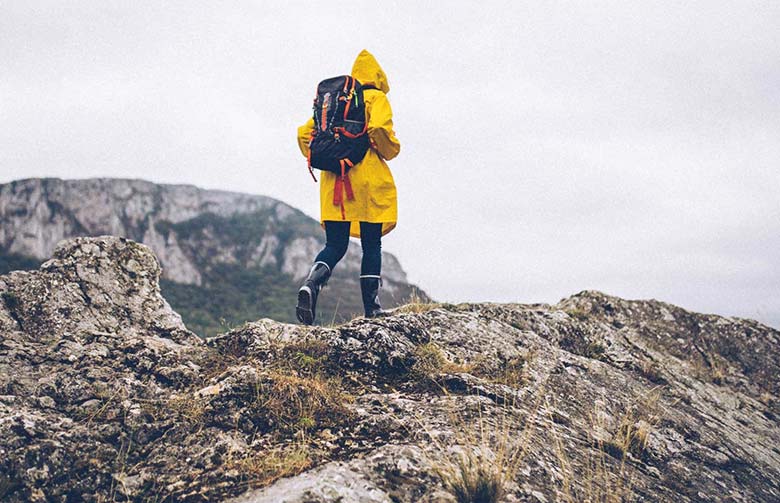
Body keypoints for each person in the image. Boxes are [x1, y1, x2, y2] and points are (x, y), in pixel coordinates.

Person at [295, 49, 400, 325]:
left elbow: (304, 133)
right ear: (378, 76)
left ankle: (311, 284)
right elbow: (378, 129)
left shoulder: (336, 103)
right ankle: (372, 308)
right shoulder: (375, 98)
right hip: (366, 182)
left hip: (335, 180)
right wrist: (390, 150)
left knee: (336, 244)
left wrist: (331, 157)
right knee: (371, 243)